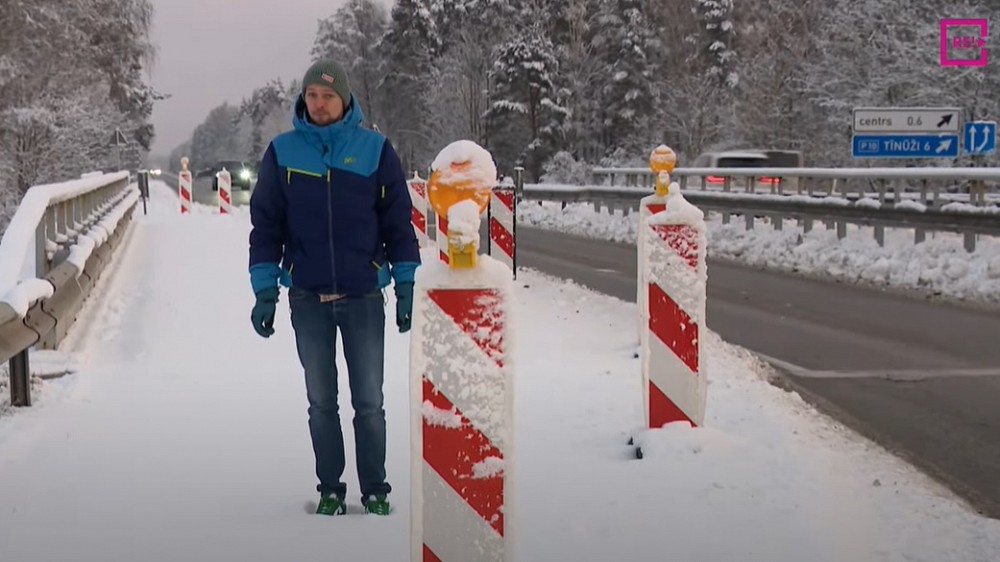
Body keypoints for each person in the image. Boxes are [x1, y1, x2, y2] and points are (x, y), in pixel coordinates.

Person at [247, 59, 420, 516]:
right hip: (308, 299)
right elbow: (266, 227)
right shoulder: (282, 152)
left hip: (363, 297)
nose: (319, 103)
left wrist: (405, 283)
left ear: (344, 100)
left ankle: (376, 490)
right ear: (303, 100)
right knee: (321, 403)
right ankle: (330, 489)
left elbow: (398, 222)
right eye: (312, 95)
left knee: (370, 402)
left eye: (327, 96)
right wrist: (265, 290)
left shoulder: (374, 150)